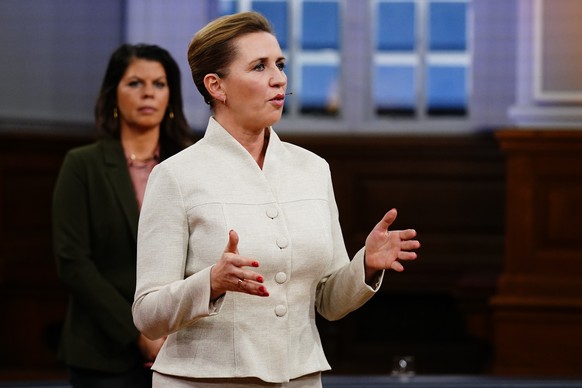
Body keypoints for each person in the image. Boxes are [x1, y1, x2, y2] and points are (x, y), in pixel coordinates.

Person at [132, 12, 420, 387]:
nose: (279, 78)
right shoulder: (175, 176)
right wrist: (212, 282)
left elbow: (328, 302)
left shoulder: (313, 169)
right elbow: (148, 315)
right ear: (216, 86)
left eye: (280, 65)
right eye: (259, 66)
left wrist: (364, 264)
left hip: (299, 377)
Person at [52, 43, 193, 387]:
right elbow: (73, 262)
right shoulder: (82, 164)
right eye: (135, 83)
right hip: (102, 351)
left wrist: (166, 331)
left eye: (159, 84)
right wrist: (139, 333)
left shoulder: (192, 165)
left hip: (184, 345)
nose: (148, 93)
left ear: (170, 97)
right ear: (113, 93)